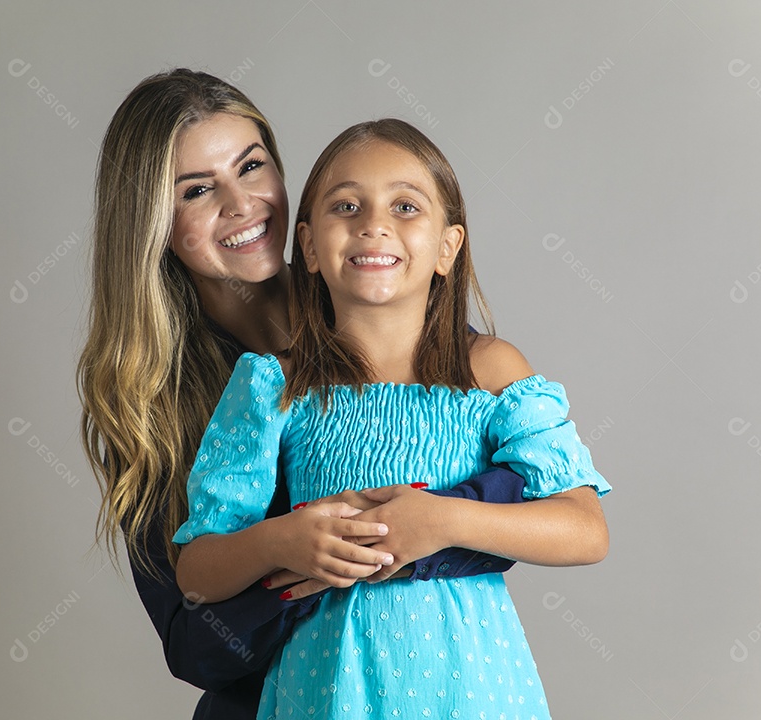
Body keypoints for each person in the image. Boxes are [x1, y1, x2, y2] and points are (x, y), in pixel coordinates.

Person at [77, 69, 536, 720]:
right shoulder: (151, 406)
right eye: (199, 190)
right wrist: (298, 551)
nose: (242, 205)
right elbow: (195, 647)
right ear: (152, 223)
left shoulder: (384, 303)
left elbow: (520, 501)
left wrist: (414, 524)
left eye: (252, 167)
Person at [172, 118, 612, 719]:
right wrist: (280, 541)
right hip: (326, 693)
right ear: (306, 246)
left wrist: (443, 519)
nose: (374, 224)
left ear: (447, 248)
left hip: (473, 693)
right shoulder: (270, 383)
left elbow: (586, 530)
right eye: (346, 205)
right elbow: (197, 572)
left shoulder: (490, 370)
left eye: (406, 206)